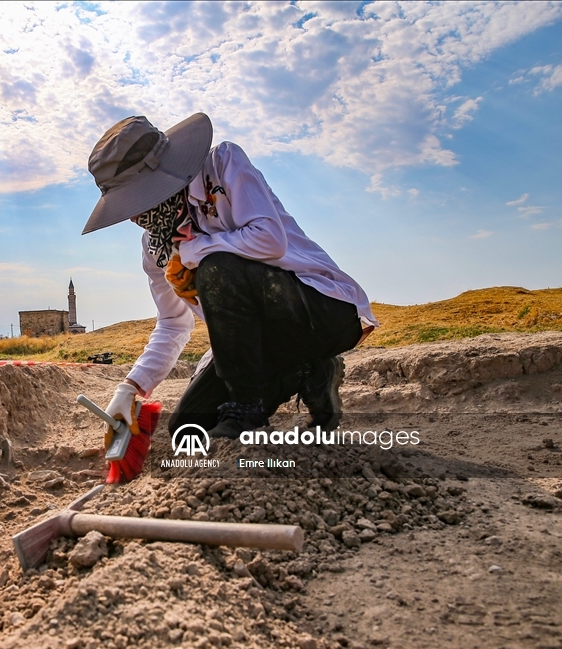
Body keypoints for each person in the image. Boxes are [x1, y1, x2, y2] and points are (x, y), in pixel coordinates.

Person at [82, 113, 377, 440]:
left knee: (217, 268)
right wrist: (130, 387)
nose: (134, 215)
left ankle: (247, 409)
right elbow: (173, 323)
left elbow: (269, 238)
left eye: (135, 197)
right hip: (256, 346)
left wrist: (195, 251)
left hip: (320, 313)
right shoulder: (155, 246)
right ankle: (311, 372)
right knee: (187, 430)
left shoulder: (222, 164)